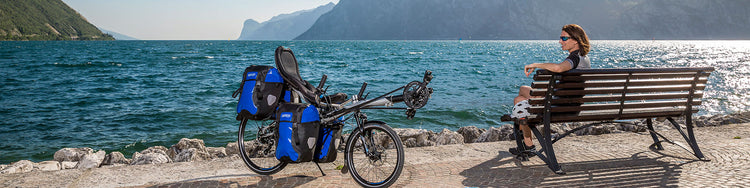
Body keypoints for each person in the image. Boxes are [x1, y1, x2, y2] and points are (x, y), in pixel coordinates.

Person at [509, 24, 591, 155]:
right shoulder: (584, 58)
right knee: (523, 90)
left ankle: (528, 146)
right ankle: (527, 145)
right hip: (570, 105)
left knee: (518, 100)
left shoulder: (574, 58)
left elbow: (559, 68)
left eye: (564, 38)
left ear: (575, 40)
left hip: (558, 107)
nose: (560, 41)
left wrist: (535, 64)